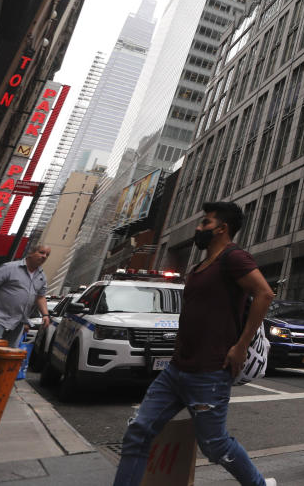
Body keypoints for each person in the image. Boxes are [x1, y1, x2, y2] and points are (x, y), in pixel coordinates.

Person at [114, 202, 276, 486]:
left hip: (209, 372)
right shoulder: (199, 266)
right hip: (176, 371)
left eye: (205, 223)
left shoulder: (234, 257)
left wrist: (241, 346)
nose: (199, 228)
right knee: (138, 432)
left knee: (215, 445)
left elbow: (264, 293)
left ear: (222, 228)